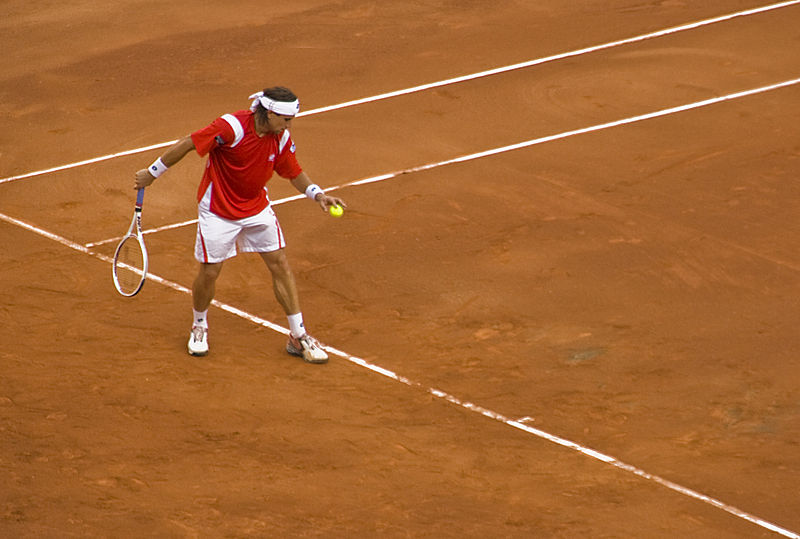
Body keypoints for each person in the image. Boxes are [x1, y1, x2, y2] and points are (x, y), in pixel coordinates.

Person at [134, 86, 345, 363]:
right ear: (269, 114)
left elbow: (292, 171)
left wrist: (318, 194)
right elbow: (189, 143)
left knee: (279, 263)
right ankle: (199, 326)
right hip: (218, 209)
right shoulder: (231, 127)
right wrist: (152, 173)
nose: (288, 125)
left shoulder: (280, 137)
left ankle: (297, 335)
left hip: (256, 207)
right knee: (210, 271)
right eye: (285, 119)